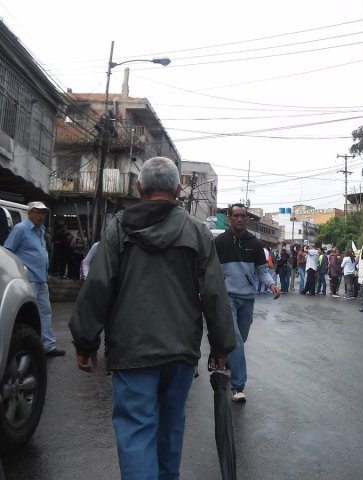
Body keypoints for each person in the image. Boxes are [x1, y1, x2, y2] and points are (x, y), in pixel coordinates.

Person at [69, 157, 235, 478]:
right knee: (170, 429)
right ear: (178, 188)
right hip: (180, 352)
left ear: (139, 187)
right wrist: (221, 347)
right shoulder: (198, 232)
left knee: (136, 431)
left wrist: (85, 342)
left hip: (133, 350)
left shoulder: (118, 228)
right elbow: (214, 293)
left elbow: (99, 285)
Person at [215, 203, 280, 403]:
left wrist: (271, 285)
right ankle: (238, 386)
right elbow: (212, 270)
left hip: (247, 298)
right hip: (227, 297)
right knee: (235, 339)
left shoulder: (255, 243)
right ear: (229, 218)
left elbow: (262, 270)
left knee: (240, 339)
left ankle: (227, 358)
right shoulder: (219, 242)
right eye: (236, 216)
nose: (240, 219)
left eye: (244, 216)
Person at [4, 202, 65, 357]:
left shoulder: (41, 230)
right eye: (38, 212)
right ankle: (22, 346)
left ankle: (47, 346)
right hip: (27, 279)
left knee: (45, 312)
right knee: (26, 314)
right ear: (30, 213)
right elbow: (8, 250)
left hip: (40, 278)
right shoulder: (21, 229)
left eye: (43, 213)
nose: (41, 216)